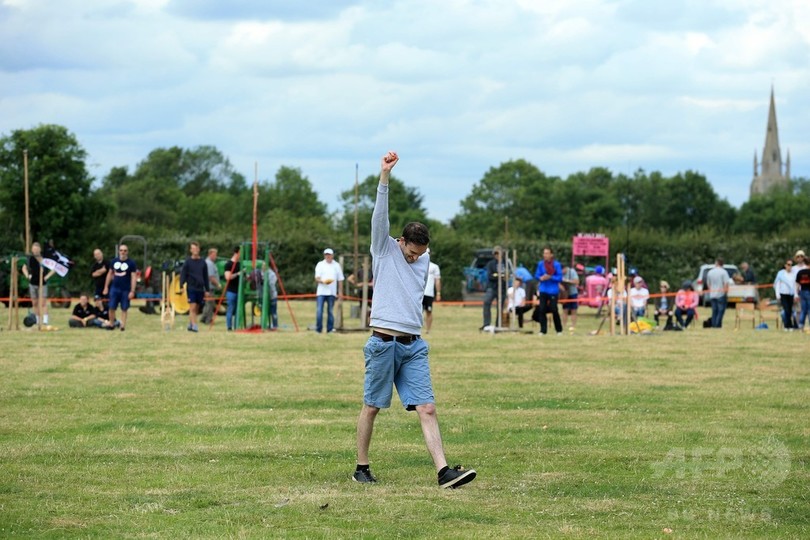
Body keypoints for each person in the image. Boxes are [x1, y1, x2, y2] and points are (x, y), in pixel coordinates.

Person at [353, 150, 476, 490]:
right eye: (410, 251)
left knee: (428, 407)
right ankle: (361, 467)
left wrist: (420, 257)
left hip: (413, 346)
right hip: (382, 343)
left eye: (419, 254)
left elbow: (421, 259)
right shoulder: (384, 249)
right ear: (400, 241)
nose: (414, 258)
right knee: (372, 407)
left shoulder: (423, 258)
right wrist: (384, 176)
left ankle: (444, 472)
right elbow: (381, 218)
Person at [103, 244, 138, 331]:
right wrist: (106, 287)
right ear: (118, 251)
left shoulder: (131, 263)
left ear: (127, 252)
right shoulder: (114, 261)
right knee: (111, 307)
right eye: (121, 250)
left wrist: (132, 291)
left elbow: (134, 277)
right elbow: (109, 274)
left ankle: (122, 325)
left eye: (125, 250)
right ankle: (111, 324)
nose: (123, 252)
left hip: (126, 289)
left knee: (124, 308)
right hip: (114, 288)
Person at [21, 242, 55, 326]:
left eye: (37, 249)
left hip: (42, 283)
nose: (35, 251)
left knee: (43, 302)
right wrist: (27, 276)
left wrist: (47, 277)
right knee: (35, 303)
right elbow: (24, 267)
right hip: (33, 283)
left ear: (39, 249)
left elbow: (54, 268)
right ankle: (37, 319)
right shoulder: (29, 259)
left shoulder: (44, 259)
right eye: (34, 249)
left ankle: (45, 320)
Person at [180, 241, 209, 333]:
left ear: (199, 249)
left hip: (200, 288)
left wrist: (207, 289)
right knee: (192, 307)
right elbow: (183, 274)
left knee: (196, 308)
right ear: (190, 250)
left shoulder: (203, 262)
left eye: (196, 248)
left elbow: (205, 276)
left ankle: (190, 324)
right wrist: (181, 285)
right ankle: (195, 325)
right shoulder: (188, 262)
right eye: (193, 249)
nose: (195, 250)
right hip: (191, 287)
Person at [532, 247, 563, 335]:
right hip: (543, 289)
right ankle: (543, 330)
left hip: (553, 290)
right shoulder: (540, 264)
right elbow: (536, 275)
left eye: (547, 253)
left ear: (551, 254)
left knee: (554, 309)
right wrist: (541, 278)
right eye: (544, 253)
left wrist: (550, 277)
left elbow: (559, 277)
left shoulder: (556, 265)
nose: (545, 255)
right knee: (541, 309)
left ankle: (559, 330)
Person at [314, 248, 344, 333]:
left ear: (332, 255)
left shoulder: (336, 265)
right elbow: (317, 278)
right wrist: (323, 281)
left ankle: (330, 329)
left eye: (329, 254)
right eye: (326, 254)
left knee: (330, 311)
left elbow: (340, 279)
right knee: (319, 311)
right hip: (321, 292)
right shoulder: (320, 264)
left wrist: (340, 292)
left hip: (332, 292)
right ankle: (318, 329)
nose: (327, 256)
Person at [481, 247, 509, 329]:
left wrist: (499, 275)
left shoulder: (506, 263)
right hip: (492, 287)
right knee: (486, 302)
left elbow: (508, 275)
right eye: (496, 254)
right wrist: (499, 276)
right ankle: (486, 324)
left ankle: (498, 324)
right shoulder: (491, 264)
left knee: (500, 307)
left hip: (502, 288)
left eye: (499, 253)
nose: (497, 255)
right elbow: (490, 276)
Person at [705, 258, 731, 328]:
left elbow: (708, 284)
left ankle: (713, 324)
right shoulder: (724, 272)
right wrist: (726, 292)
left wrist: (711, 291)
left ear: (716, 263)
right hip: (721, 294)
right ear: (722, 264)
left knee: (714, 311)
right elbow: (726, 283)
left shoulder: (710, 272)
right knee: (720, 311)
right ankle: (717, 325)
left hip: (712, 294)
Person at [773, 258, 797, 330]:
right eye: (788, 265)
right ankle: (787, 325)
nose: (790, 266)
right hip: (783, 294)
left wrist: (796, 294)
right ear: (785, 265)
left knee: (790, 310)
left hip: (791, 294)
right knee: (786, 310)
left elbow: (795, 285)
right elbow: (777, 285)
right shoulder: (781, 273)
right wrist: (777, 295)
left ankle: (789, 325)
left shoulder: (793, 274)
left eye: (791, 265)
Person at [201, 248, 221, 325]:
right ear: (210, 254)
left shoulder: (209, 263)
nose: (216, 256)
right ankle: (208, 320)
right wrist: (218, 284)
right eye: (214, 255)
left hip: (208, 287)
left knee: (208, 303)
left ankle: (203, 318)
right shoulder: (209, 264)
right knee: (210, 303)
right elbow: (211, 277)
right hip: (209, 287)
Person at [423, 249, 441, 334]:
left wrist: (438, 293)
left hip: (429, 293)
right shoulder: (417, 264)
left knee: (429, 311)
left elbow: (437, 280)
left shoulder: (434, 267)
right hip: (420, 292)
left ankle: (428, 330)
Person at [223, 247, 241, 331]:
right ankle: (229, 327)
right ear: (236, 253)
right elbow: (228, 277)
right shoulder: (228, 264)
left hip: (239, 291)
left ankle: (236, 326)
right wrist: (237, 274)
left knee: (238, 310)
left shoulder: (240, 264)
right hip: (231, 291)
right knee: (230, 309)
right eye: (240, 253)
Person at [561, 264, 581, 330]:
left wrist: (567, 281)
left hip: (573, 293)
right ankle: (563, 326)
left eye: (562, 270)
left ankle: (573, 325)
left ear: (565, 268)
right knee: (565, 310)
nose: (561, 272)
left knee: (574, 310)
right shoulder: (559, 273)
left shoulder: (572, 272)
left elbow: (577, 282)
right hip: (565, 294)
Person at [794, 251, 810, 333]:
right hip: (809, 292)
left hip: (802, 292)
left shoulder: (800, 272)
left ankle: (801, 326)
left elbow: (797, 284)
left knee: (803, 310)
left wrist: (796, 294)